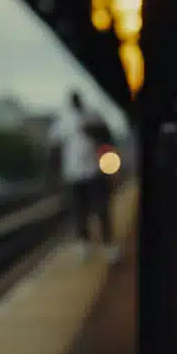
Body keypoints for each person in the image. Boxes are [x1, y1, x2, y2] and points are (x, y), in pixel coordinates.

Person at [47, 90, 120, 263]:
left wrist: (92, 130)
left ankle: (108, 245)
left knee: (102, 208)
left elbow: (107, 137)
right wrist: (54, 173)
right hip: (73, 173)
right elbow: (55, 147)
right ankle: (84, 245)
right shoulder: (63, 121)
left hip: (95, 170)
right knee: (79, 211)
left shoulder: (93, 116)